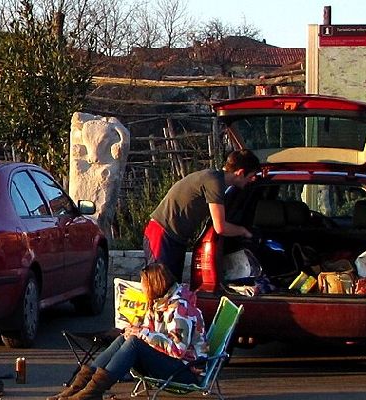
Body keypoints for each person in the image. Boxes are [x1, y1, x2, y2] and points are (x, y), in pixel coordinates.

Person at [48, 264, 205, 400]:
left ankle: (91, 393)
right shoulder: (159, 303)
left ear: (154, 286)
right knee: (125, 339)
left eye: (144, 285)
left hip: (186, 371)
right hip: (170, 363)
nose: (142, 289)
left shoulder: (180, 309)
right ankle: (78, 389)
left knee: (135, 343)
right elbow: (150, 331)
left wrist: (142, 334)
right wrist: (135, 330)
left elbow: (177, 349)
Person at [141, 149, 260, 282]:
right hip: (162, 234)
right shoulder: (214, 182)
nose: (252, 180)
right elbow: (220, 227)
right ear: (241, 172)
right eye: (251, 176)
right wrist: (244, 231)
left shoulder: (217, 180)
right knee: (160, 286)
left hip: (176, 238)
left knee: (172, 288)